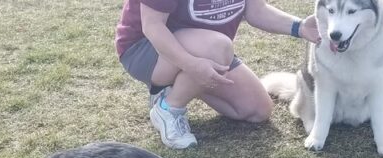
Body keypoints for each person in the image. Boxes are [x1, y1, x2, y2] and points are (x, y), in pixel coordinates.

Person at [115, 0, 320, 149]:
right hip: (146, 49)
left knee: (257, 109)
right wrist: (192, 65)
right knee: (219, 46)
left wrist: (300, 27)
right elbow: (152, 26)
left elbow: (257, 11)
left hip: (208, 49)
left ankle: (177, 85)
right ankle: (169, 107)